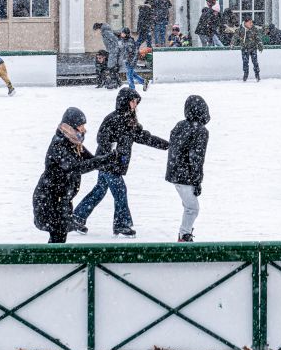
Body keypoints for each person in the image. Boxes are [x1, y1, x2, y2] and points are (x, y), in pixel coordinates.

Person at [71, 88, 168, 237]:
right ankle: (122, 224)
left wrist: (166, 145)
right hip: (108, 162)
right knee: (120, 191)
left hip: (113, 163)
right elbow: (101, 138)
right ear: (125, 101)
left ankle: (77, 218)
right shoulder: (113, 118)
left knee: (99, 190)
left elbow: (144, 137)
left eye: (136, 102)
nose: (135, 105)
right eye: (133, 101)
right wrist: (111, 151)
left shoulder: (130, 121)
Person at [32, 107, 111, 244]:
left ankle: (54, 263)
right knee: (58, 237)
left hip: (61, 199)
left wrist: (109, 159)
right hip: (49, 200)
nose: (84, 129)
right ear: (70, 127)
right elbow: (76, 167)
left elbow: (90, 160)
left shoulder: (74, 143)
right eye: (81, 126)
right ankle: (52, 264)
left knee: (59, 239)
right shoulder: (59, 145)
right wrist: (103, 160)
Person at [166, 95, 210, 242]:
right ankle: (184, 235)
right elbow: (196, 158)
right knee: (192, 208)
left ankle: (185, 234)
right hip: (186, 175)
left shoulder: (180, 125)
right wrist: (197, 181)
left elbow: (174, 148)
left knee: (189, 206)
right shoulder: (201, 131)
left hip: (174, 173)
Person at [236, 16, 263, 82]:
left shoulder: (254, 29)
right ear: (245, 23)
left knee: (255, 62)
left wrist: (259, 43)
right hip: (244, 48)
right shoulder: (240, 29)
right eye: (249, 22)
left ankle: (257, 75)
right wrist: (232, 43)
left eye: (251, 22)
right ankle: (245, 74)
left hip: (253, 48)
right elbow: (235, 36)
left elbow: (257, 37)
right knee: (245, 62)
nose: (251, 24)